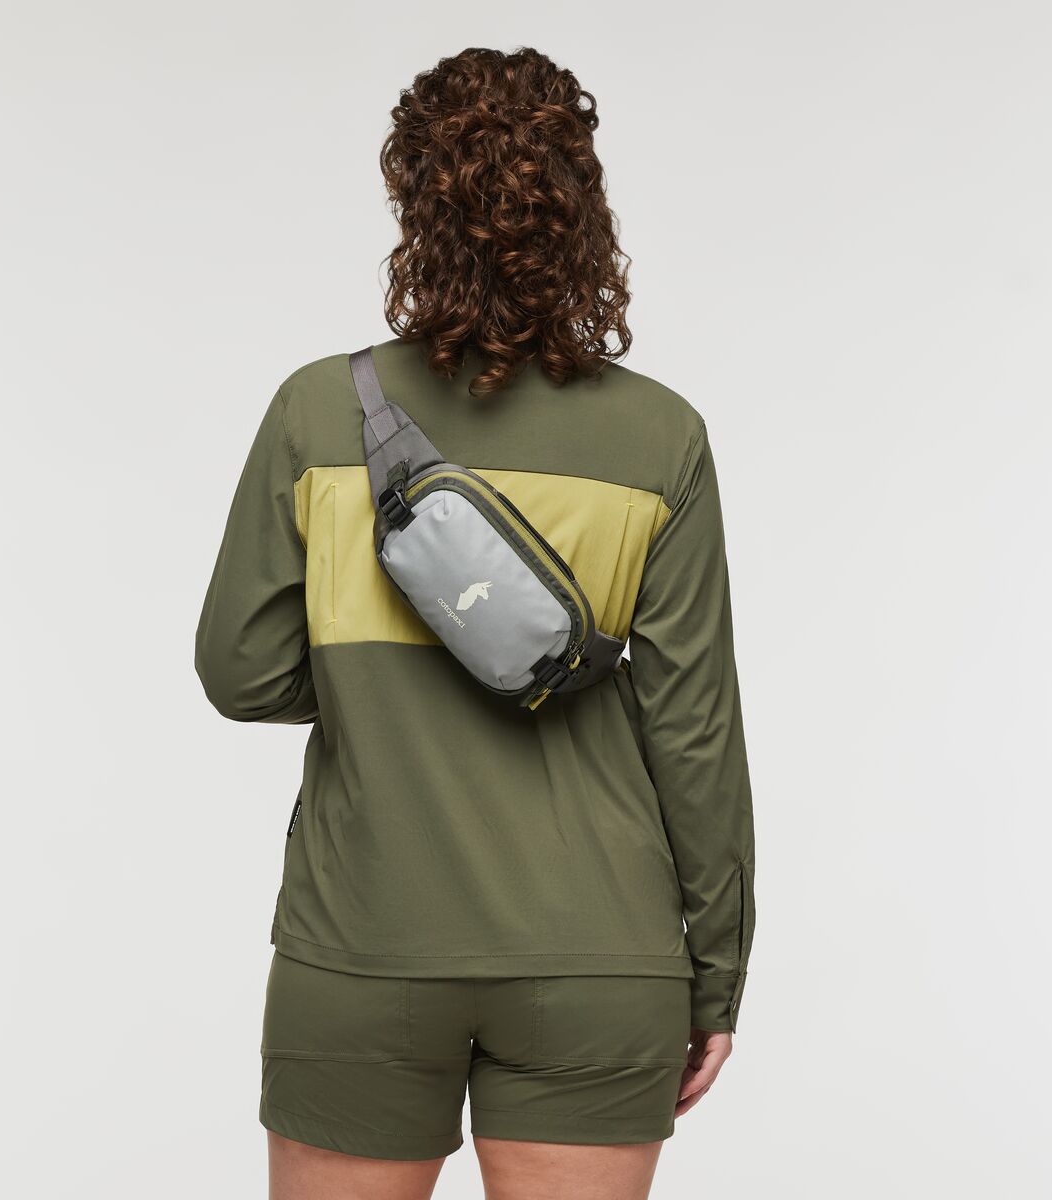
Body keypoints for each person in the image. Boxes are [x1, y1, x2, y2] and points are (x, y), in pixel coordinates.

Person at [195, 45, 756, 1200]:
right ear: (580, 211)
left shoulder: (318, 411)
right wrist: (716, 975)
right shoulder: (662, 438)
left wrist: (375, 685)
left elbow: (241, 671)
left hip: (364, 943)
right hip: (600, 959)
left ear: (413, 204)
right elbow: (693, 735)